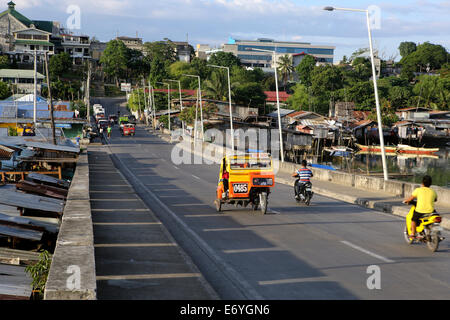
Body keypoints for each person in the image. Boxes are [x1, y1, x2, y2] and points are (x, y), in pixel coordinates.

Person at [403, 175, 437, 239]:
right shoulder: (433, 191)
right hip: (431, 211)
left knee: (413, 220)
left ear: (422, 183)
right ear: (430, 183)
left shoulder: (418, 190)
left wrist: (406, 201)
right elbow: (435, 199)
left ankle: (413, 233)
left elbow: (410, 199)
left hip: (420, 210)